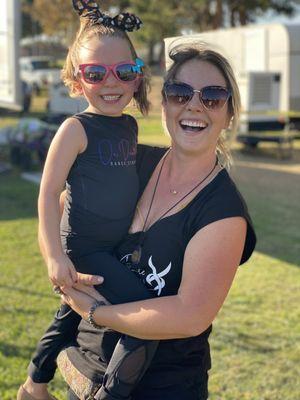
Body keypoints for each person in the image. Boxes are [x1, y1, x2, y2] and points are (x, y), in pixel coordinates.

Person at [55, 43, 257, 400]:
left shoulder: (223, 212)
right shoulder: (133, 162)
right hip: (86, 374)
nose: (194, 105)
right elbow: (66, 204)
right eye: (179, 93)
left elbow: (189, 316)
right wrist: (62, 261)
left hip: (165, 388)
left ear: (229, 115)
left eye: (212, 97)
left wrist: (96, 311)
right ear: (164, 103)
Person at [17, 1, 164, 400]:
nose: (111, 82)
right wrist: (54, 257)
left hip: (115, 247)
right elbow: (48, 195)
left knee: (68, 316)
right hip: (84, 248)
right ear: (77, 82)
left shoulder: (130, 126)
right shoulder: (75, 129)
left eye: (125, 71)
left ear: (137, 78)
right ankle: (107, 391)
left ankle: (34, 383)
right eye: (96, 73)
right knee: (145, 311)